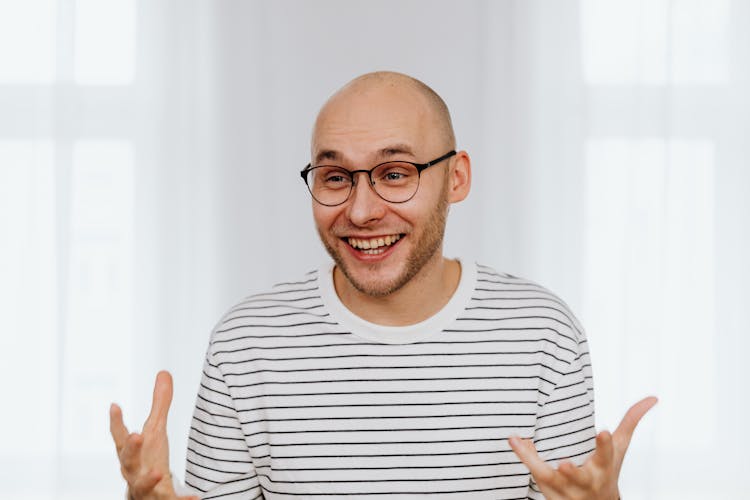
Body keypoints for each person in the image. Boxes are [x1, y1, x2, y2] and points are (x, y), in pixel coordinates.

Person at [110, 71, 657, 499]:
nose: (362, 210)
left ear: (457, 177)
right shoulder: (246, 343)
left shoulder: (543, 334)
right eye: (335, 177)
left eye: (395, 173)